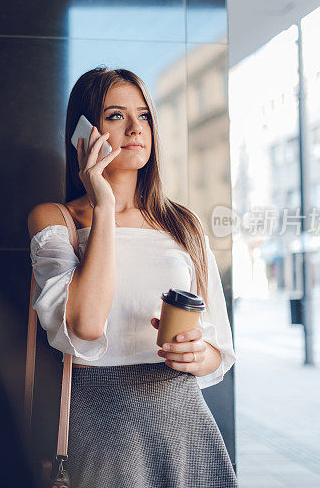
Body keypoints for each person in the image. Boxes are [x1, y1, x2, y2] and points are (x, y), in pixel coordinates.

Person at [27, 66, 238, 487]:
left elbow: (219, 351)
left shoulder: (185, 224)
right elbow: (85, 327)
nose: (135, 129)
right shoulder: (57, 219)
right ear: (84, 132)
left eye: (144, 116)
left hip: (185, 424)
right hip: (105, 431)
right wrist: (103, 205)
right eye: (115, 116)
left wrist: (200, 354)